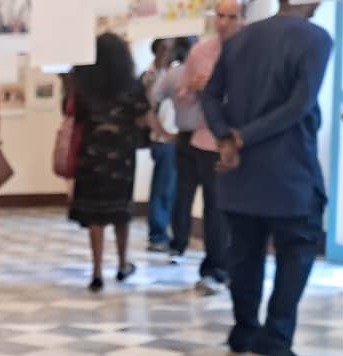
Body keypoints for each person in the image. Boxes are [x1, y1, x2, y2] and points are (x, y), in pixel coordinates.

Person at [201, 0, 333, 356]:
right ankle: (275, 338)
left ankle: (243, 333)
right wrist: (241, 137)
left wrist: (226, 138)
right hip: (289, 168)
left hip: (238, 170)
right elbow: (299, 104)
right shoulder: (316, 38)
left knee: (244, 253)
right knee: (298, 249)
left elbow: (209, 96)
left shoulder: (240, 39)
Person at [167, 0, 243, 295]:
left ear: (242, 19)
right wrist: (194, 88)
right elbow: (181, 96)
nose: (224, 23)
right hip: (206, 139)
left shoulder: (251, 49)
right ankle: (214, 268)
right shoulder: (200, 52)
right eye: (220, 16)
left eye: (231, 17)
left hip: (242, 138)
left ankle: (237, 266)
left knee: (239, 208)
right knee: (214, 206)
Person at [67, 33, 152, 292]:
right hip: (121, 156)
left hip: (91, 155)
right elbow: (142, 117)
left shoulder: (83, 85)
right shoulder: (131, 86)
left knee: (96, 214)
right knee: (120, 211)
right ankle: (123, 263)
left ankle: (96, 272)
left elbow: (74, 115)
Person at [142, 38, 180, 253]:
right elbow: (149, 105)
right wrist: (164, 133)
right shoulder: (154, 75)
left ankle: (173, 234)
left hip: (178, 139)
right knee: (163, 189)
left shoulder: (176, 72)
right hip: (165, 141)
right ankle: (157, 235)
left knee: (173, 189)